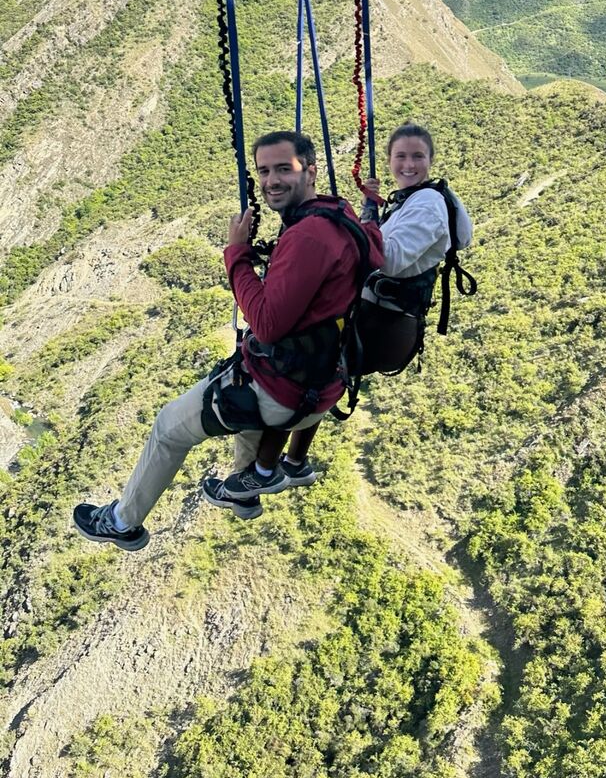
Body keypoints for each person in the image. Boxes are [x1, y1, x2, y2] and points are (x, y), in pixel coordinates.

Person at [73, 131, 384, 551]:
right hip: (322, 390)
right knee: (245, 394)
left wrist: (236, 253)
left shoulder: (308, 237)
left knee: (169, 428)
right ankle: (245, 498)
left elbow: (269, 324)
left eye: (283, 169)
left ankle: (122, 522)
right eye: (264, 171)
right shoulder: (340, 217)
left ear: (309, 170)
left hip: (283, 392)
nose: (270, 180)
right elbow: (374, 251)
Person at [357, 122, 473, 372]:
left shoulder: (427, 203)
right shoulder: (409, 199)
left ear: (430, 160)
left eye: (417, 156)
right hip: (381, 318)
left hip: (384, 326)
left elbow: (389, 260)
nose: (408, 165)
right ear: (390, 160)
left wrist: (367, 213)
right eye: (401, 156)